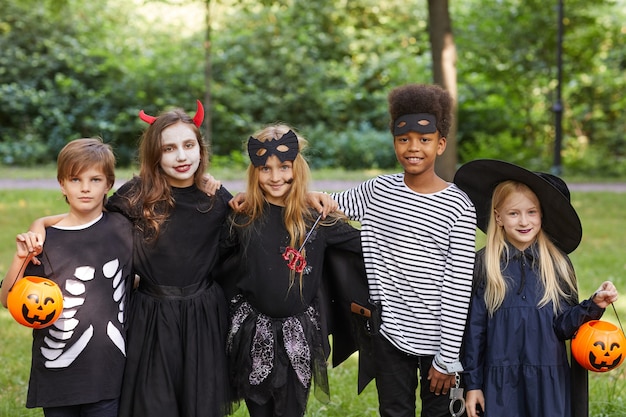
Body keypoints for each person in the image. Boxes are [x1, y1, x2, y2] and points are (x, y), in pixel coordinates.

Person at [327, 84, 477, 416]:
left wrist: (448, 356)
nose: (413, 147)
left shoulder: (459, 206)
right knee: (394, 410)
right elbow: (329, 206)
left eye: (424, 140)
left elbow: (458, 285)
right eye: (403, 138)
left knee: (440, 413)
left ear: (440, 145)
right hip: (389, 332)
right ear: (394, 141)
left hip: (441, 339)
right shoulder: (378, 190)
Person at [454, 159, 619, 417]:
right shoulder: (485, 264)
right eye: (513, 213)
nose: (523, 221)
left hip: (548, 379)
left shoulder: (557, 264)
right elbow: (474, 332)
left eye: (531, 212)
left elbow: (564, 326)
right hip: (499, 381)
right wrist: (473, 385)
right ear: (498, 217)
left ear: (542, 215)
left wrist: (593, 305)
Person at [221, 124, 364, 417]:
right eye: (265, 169)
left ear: (296, 168)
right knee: (258, 408)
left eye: (284, 167)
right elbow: (210, 255)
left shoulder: (316, 219)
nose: (275, 177)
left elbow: (366, 245)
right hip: (252, 331)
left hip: (298, 333)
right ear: (254, 171)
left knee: (291, 409)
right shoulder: (243, 218)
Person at [0, 138, 134, 417]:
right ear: (62, 184)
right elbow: (7, 299)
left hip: (108, 372)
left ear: (108, 184)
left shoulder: (123, 227)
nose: (85, 188)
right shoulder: (45, 240)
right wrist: (21, 256)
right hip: (58, 378)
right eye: (75, 179)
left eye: (95, 179)